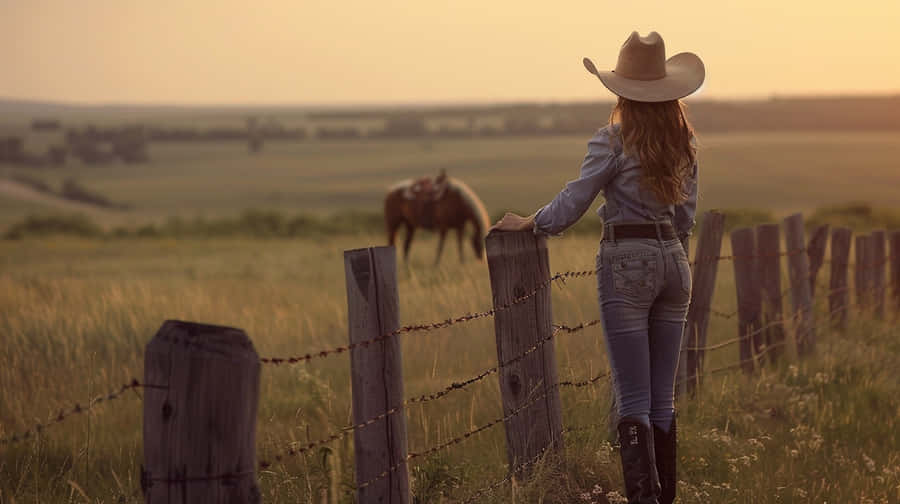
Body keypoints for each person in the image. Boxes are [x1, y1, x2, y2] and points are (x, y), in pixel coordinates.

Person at [489, 31, 703, 504]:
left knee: (632, 399)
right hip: (674, 261)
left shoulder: (613, 138)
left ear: (622, 90)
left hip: (626, 261)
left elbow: (575, 201)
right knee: (662, 398)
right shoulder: (684, 142)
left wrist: (533, 222)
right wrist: (670, 254)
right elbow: (686, 216)